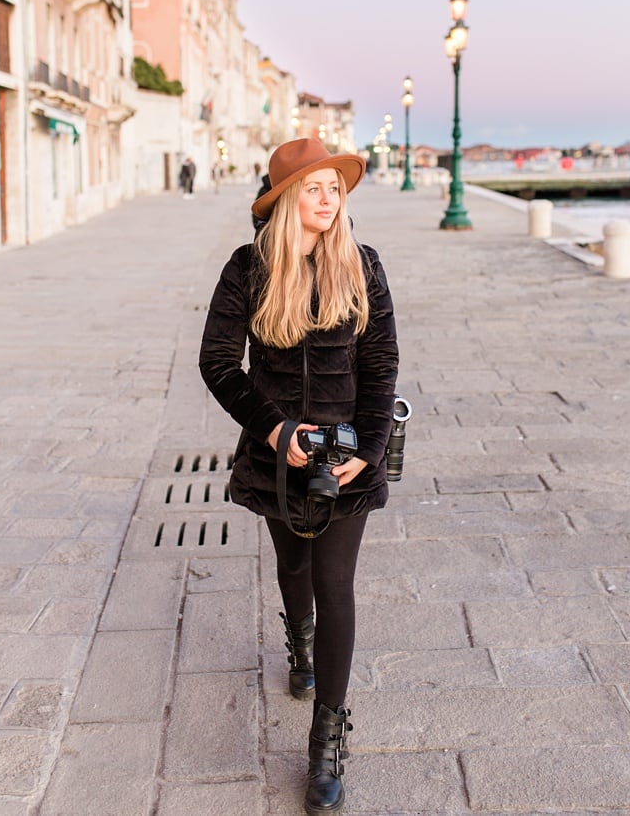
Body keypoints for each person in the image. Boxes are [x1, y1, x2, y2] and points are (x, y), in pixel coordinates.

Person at [199, 136, 398, 816]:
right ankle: (298, 639)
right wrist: (276, 429)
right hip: (274, 457)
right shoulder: (247, 270)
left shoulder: (362, 266)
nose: (326, 199)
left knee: (332, 581)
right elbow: (220, 364)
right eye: (313, 187)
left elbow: (381, 367)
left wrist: (368, 448)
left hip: (346, 459)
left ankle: (326, 741)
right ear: (285, 199)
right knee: (293, 568)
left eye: (335, 189)